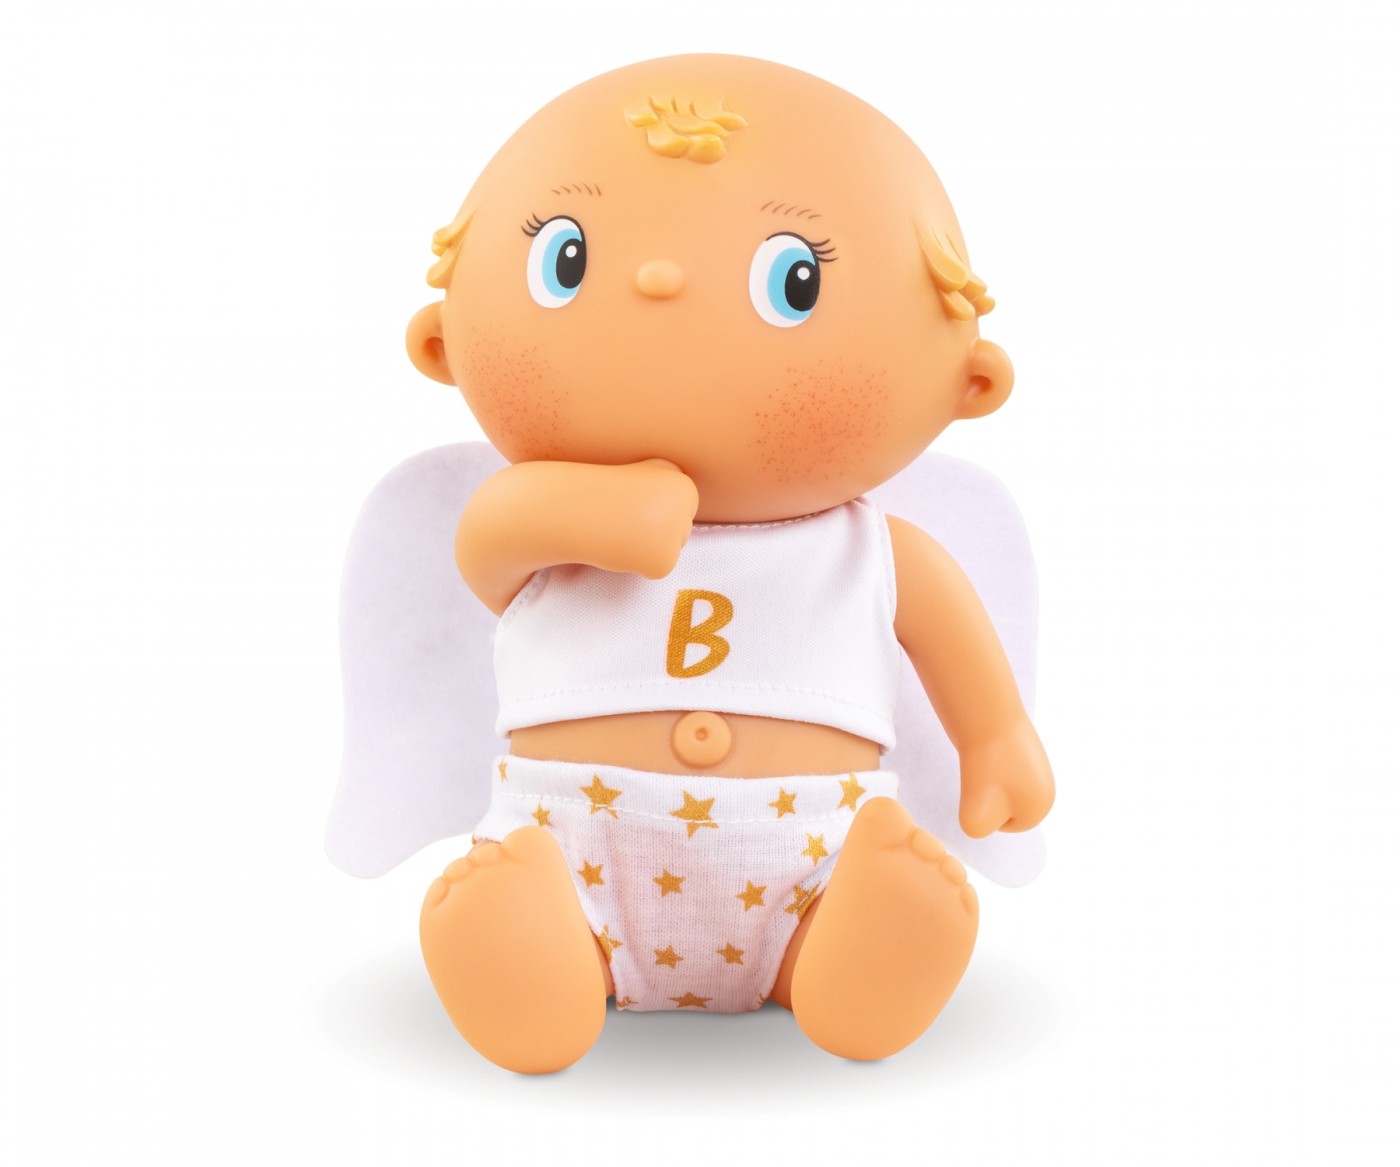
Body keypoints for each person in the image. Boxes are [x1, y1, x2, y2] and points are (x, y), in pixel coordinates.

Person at [402, 53, 1054, 1074]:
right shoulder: (528, 518)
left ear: (965, 384)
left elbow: (950, 641)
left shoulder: (870, 553)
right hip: (575, 846)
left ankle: (849, 956)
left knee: (847, 915)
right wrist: (591, 508)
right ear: (441, 345)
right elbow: (489, 545)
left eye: (794, 281)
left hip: (809, 853)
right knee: (530, 909)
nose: (660, 281)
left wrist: (998, 740)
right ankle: (527, 955)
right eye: (568, 261)